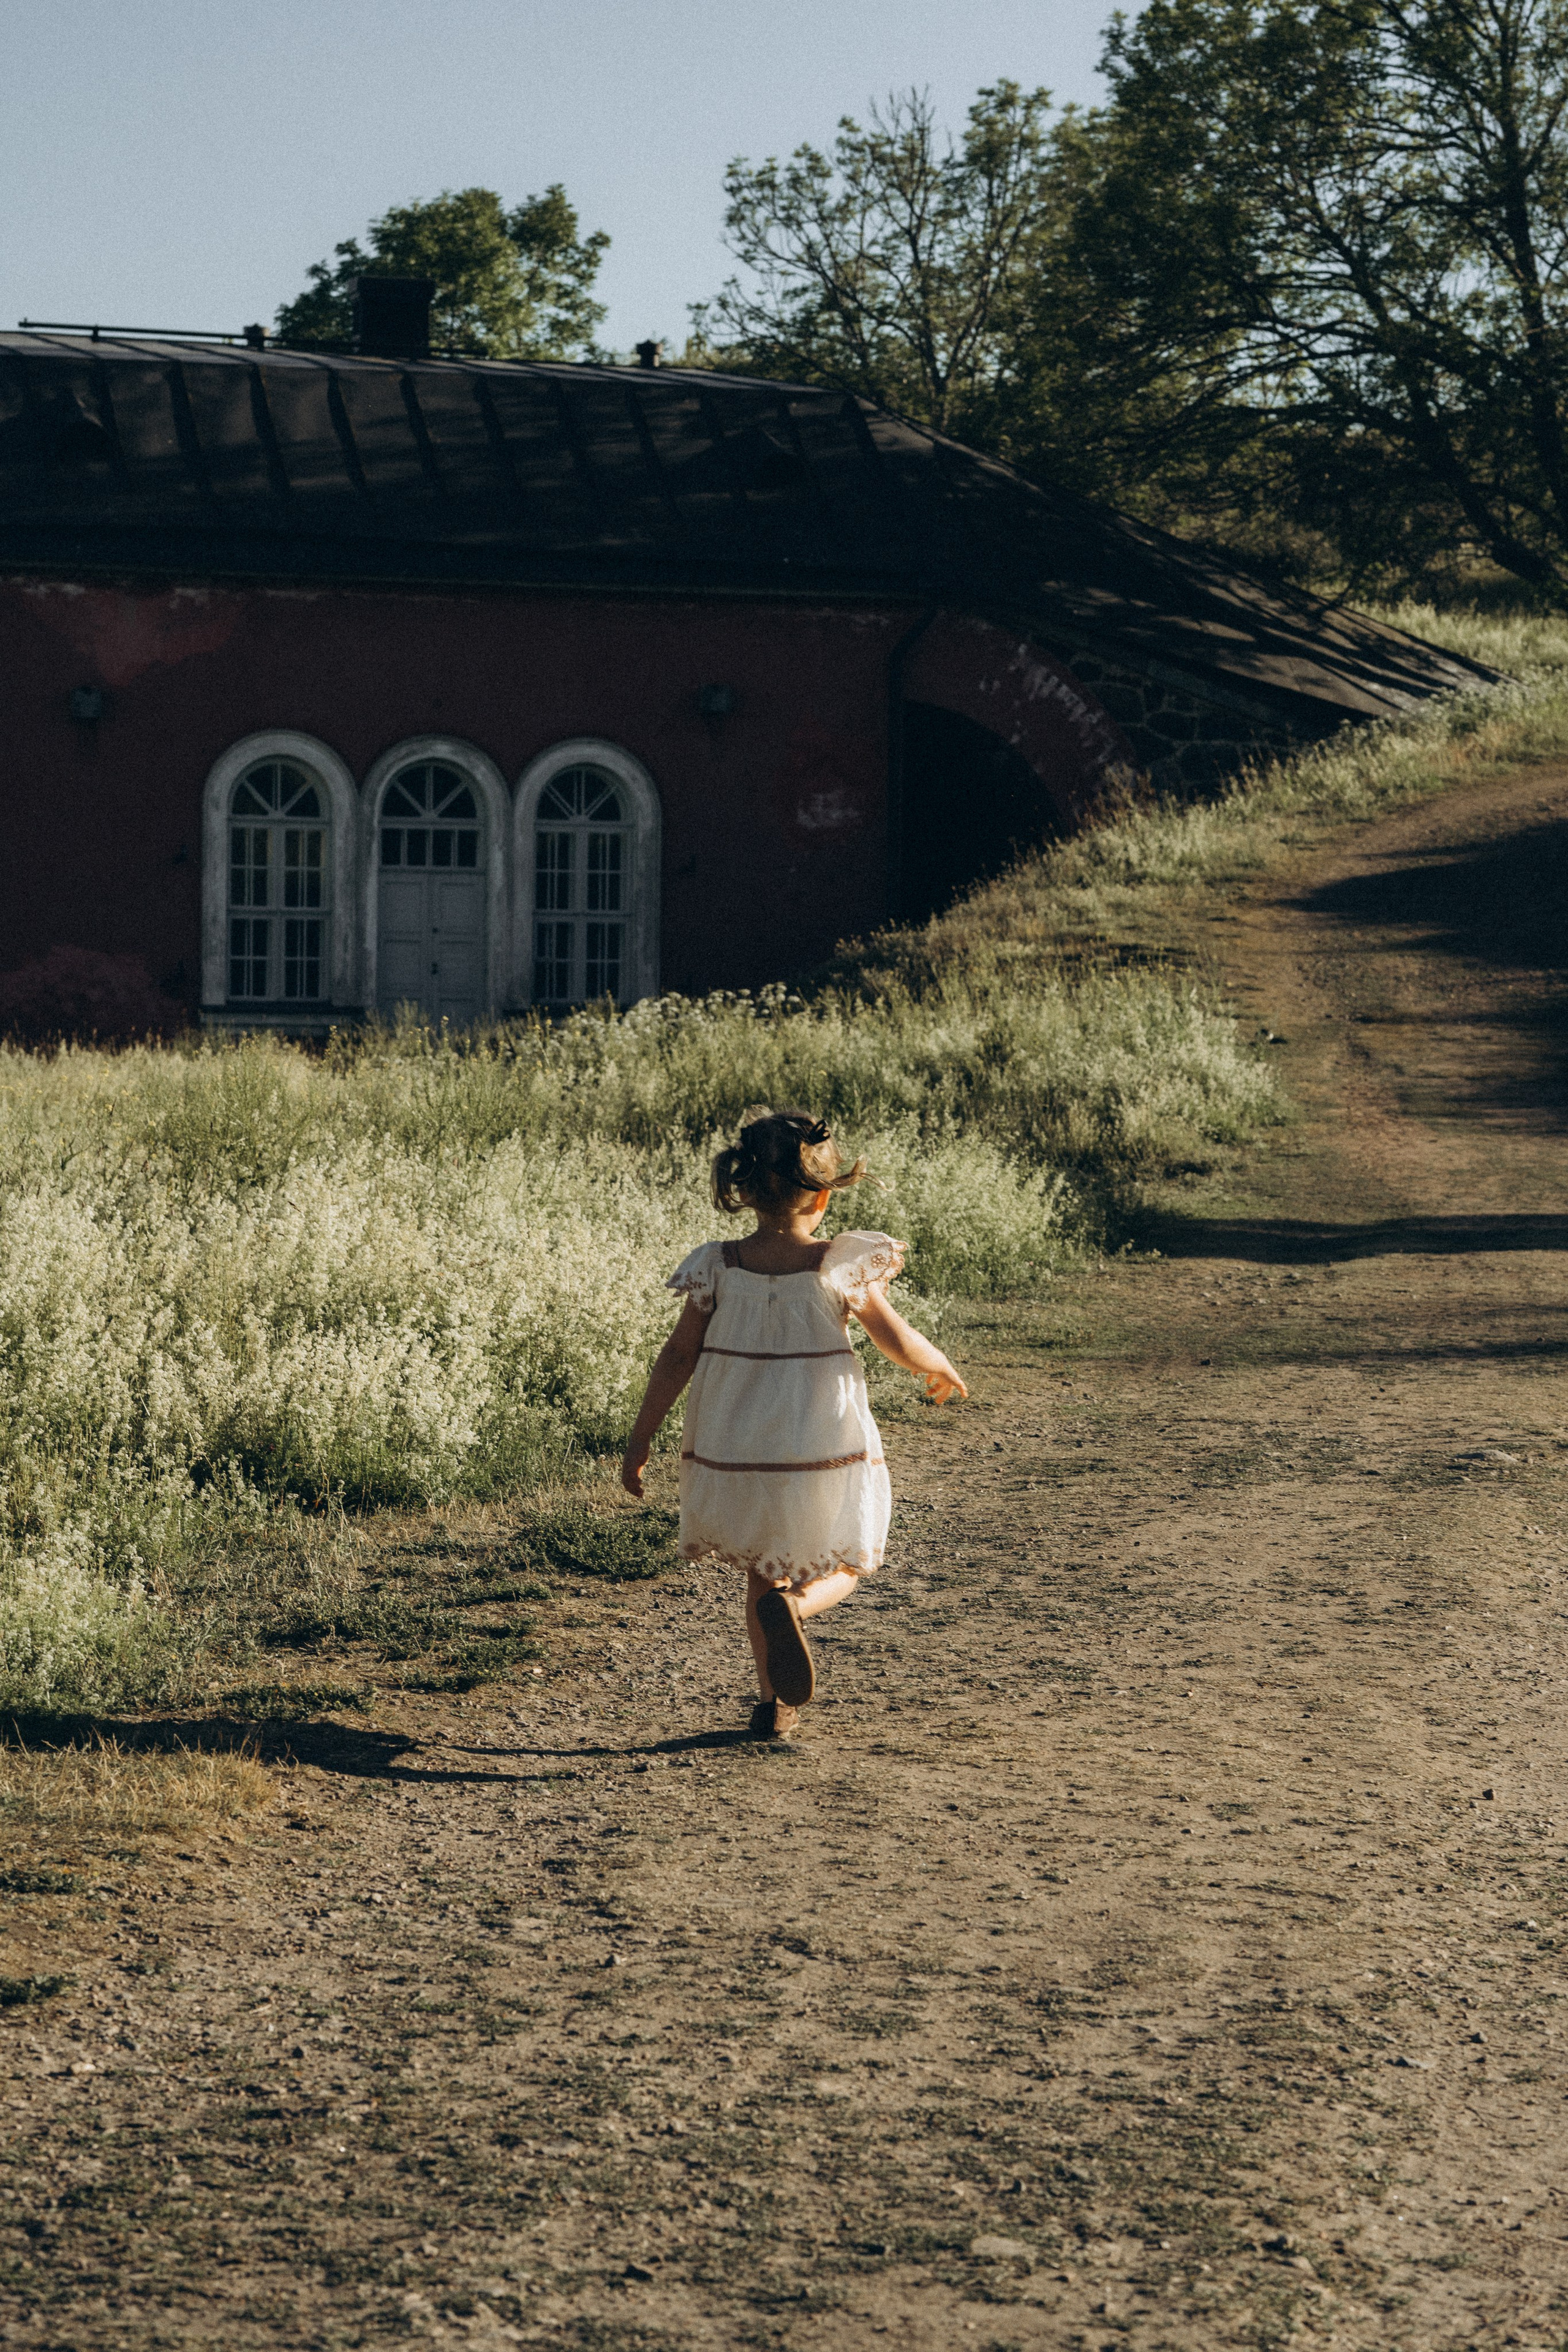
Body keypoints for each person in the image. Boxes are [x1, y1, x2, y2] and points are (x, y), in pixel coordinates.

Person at [621, 1106, 967, 1738]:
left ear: (746, 1190)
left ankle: (773, 1705)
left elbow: (677, 1357)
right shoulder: (839, 1265)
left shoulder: (717, 1265)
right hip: (819, 1437)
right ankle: (799, 1606)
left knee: (763, 1565)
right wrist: (938, 1364)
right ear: (823, 1197)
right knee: (851, 1559)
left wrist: (641, 1438)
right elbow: (894, 1338)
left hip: (739, 1442)